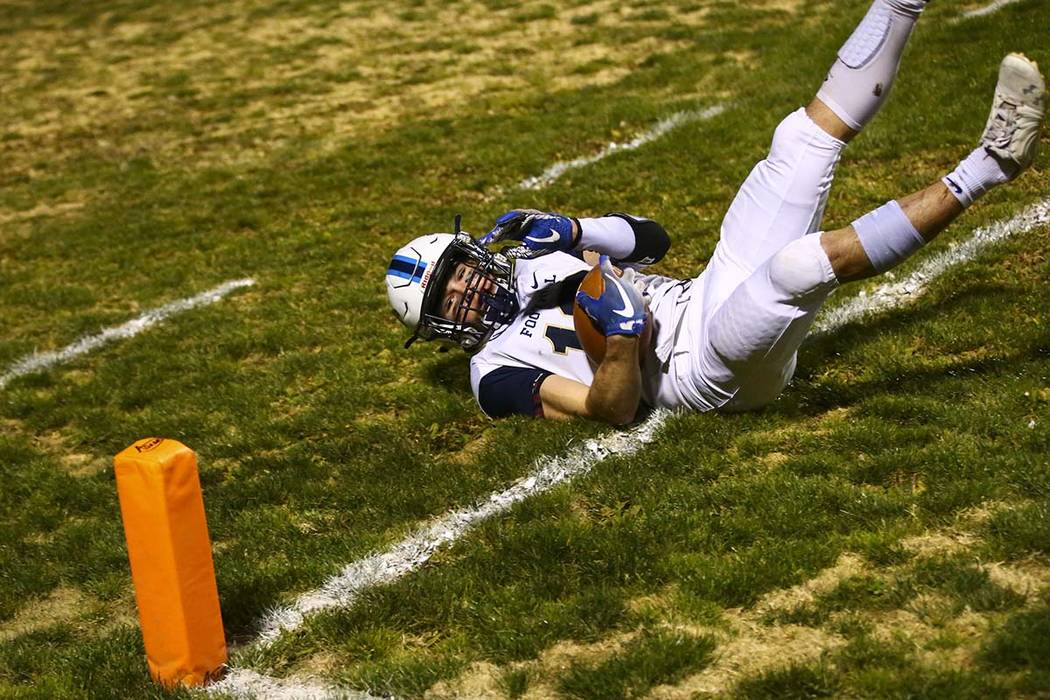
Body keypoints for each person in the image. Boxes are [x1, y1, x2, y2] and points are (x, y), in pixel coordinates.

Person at [385, 0, 1045, 425]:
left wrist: (577, 229)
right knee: (793, 269)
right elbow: (606, 411)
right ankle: (990, 164)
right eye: (448, 295)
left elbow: (651, 239)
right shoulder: (493, 375)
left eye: (460, 271)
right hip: (699, 372)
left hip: (702, 297)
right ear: (441, 328)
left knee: (800, 141)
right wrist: (619, 343)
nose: (467, 289)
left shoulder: (533, 258)